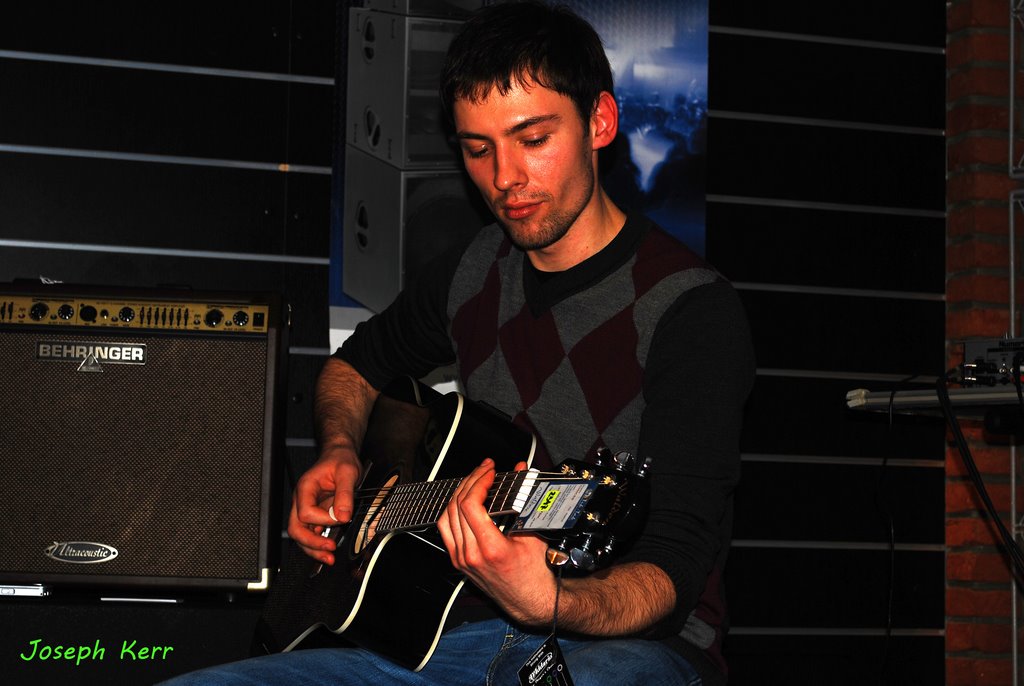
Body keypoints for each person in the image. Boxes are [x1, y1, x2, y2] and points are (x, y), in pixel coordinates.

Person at [161, 1, 753, 684]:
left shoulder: (690, 309)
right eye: (478, 149)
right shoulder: (474, 268)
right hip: (435, 640)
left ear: (599, 122)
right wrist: (339, 451)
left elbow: (672, 571)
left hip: (624, 646)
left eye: (533, 138)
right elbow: (354, 367)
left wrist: (551, 599)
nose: (504, 178)